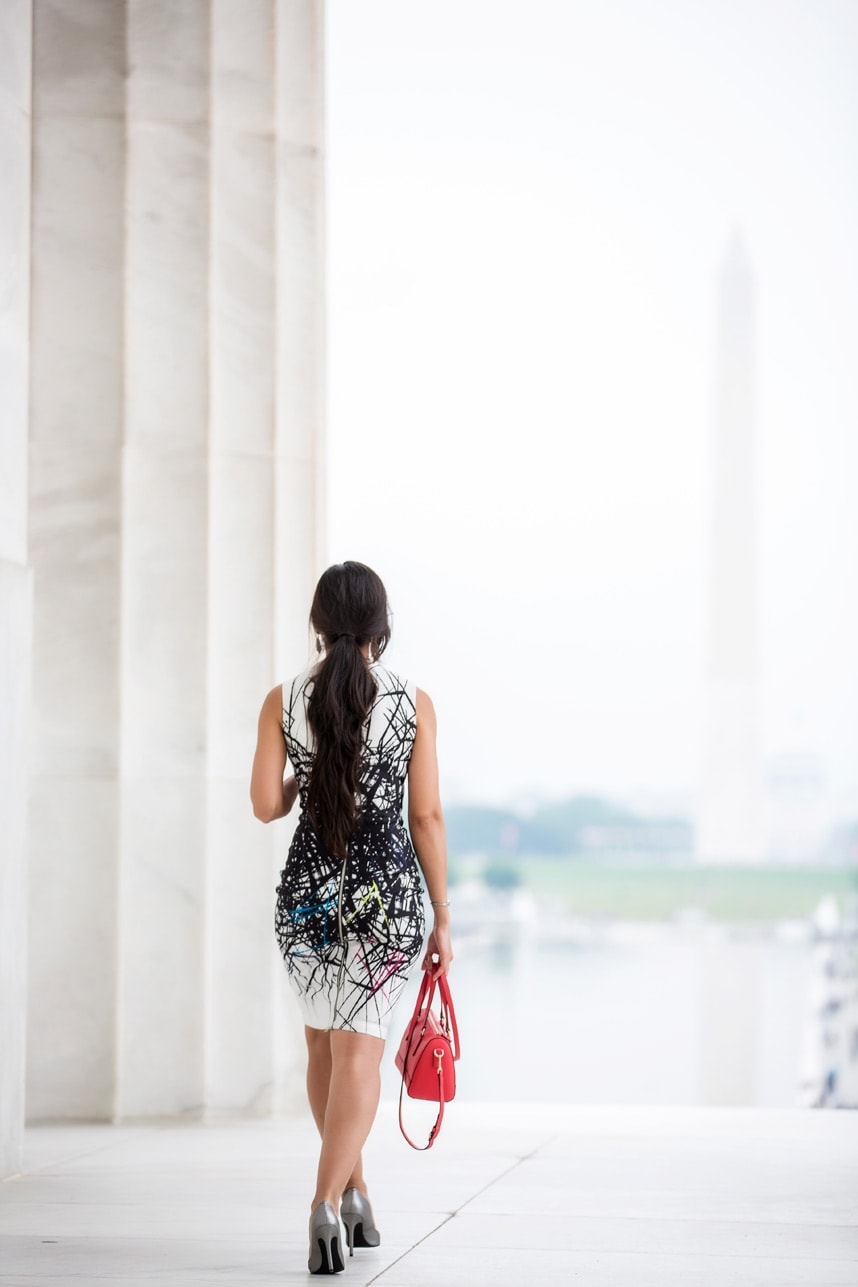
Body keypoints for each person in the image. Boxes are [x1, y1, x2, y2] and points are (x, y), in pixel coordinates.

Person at [250, 561, 453, 1275]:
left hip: (307, 897)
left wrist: (307, 768)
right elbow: (424, 815)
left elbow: (267, 805)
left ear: (316, 623)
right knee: (359, 1051)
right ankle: (326, 1200)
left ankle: (356, 1193)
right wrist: (443, 916)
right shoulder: (412, 701)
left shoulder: (285, 698)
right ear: (381, 627)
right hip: (384, 897)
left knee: (323, 1051)